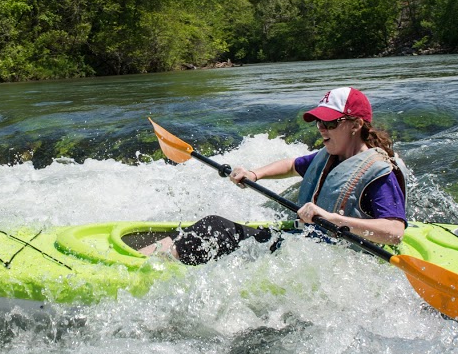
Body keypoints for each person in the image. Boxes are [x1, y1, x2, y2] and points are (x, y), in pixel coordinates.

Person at [145, 85, 408, 265]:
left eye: (330, 123)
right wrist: (254, 174)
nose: (321, 129)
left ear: (356, 125)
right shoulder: (330, 155)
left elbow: (394, 232)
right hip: (304, 249)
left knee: (216, 228)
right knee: (212, 228)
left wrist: (333, 219)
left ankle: (148, 266)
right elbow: (292, 165)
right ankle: (153, 259)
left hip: (337, 261)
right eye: (319, 122)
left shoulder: (379, 172)